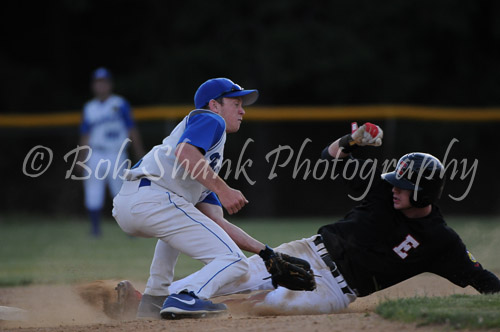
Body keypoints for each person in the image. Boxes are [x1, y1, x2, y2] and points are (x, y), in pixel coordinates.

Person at [165, 122, 500, 314]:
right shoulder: (384, 189)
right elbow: (330, 156)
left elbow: (484, 281)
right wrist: (352, 140)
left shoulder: (441, 241)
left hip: (335, 290)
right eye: (395, 182)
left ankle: (231, 307)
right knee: (238, 274)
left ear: (425, 193)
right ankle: (155, 299)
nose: (395, 189)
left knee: (273, 303)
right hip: (308, 251)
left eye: (404, 186)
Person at [113, 78, 294, 320]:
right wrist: (224, 189)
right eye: (236, 103)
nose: (242, 110)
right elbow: (185, 152)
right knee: (234, 261)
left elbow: (217, 223)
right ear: (214, 105)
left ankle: (154, 299)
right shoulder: (210, 119)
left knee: (181, 219)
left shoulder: (204, 169)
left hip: (135, 201)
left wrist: (266, 253)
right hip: (151, 197)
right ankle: (188, 295)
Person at [79, 67, 144, 237]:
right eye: (98, 83)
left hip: (116, 152)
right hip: (96, 152)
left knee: (122, 191)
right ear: (93, 85)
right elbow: (85, 134)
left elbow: (131, 128)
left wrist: (139, 152)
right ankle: (95, 229)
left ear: (110, 84)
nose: (101, 86)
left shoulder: (120, 103)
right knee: (93, 191)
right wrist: (81, 157)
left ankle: (129, 229)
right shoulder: (89, 108)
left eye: (104, 82)